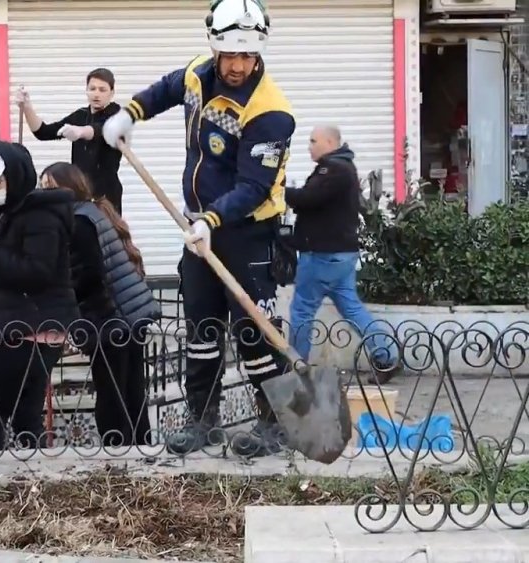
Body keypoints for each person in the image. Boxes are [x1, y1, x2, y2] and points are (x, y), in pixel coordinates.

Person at [102, 0, 294, 457]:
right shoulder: (197, 75)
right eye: (230, 55)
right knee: (202, 330)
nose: (238, 66)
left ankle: (278, 422)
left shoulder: (270, 111)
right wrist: (130, 112)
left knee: (255, 331)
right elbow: (166, 89)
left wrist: (211, 219)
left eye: (247, 56)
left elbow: (252, 186)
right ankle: (202, 420)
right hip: (197, 228)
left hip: (247, 234)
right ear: (214, 48)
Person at [0, 141, 80, 451]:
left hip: (32, 328)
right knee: (20, 415)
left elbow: (38, 271)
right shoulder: (12, 213)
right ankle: (26, 479)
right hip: (21, 323)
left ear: (15, 177)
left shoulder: (39, 217)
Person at [41, 162, 160, 447]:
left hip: (111, 318)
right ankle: (139, 448)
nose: (45, 194)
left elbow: (89, 275)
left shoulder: (79, 222)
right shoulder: (90, 213)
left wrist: (65, 306)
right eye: (42, 187)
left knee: (112, 393)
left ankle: (116, 451)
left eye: (51, 188)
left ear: (71, 189)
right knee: (131, 391)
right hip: (128, 314)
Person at [286, 125, 401, 384]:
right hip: (341, 255)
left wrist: (278, 192)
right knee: (351, 307)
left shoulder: (334, 169)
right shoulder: (342, 167)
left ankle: (296, 367)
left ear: (330, 142)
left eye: (314, 141)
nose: (310, 146)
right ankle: (386, 356)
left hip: (322, 255)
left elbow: (308, 198)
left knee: (302, 310)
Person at [16, 68, 127, 213]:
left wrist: (81, 131)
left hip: (106, 195)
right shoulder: (80, 116)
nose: (96, 94)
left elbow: (101, 130)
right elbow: (43, 132)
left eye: (102, 90)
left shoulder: (117, 114)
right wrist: (27, 107)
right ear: (86, 90)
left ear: (111, 93)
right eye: (92, 89)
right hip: (80, 192)